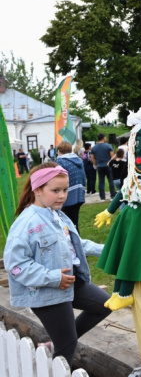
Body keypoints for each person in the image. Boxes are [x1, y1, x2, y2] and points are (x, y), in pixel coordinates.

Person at [3, 163, 111, 367]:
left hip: (70, 283)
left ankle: (56, 343)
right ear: (37, 190)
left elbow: (76, 242)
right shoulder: (27, 224)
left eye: (65, 190)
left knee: (104, 304)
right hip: (45, 292)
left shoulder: (57, 215)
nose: (62, 196)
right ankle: (58, 359)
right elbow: (15, 265)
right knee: (67, 344)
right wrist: (53, 278)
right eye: (55, 191)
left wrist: (108, 249)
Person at [55, 141, 86, 233]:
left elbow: (57, 180)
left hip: (67, 196)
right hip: (79, 194)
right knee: (74, 222)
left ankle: (72, 244)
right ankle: (77, 242)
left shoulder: (60, 161)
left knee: (66, 225)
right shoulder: (78, 160)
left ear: (59, 151)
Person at [91, 134, 116, 200]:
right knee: (111, 180)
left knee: (101, 181)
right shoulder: (108, 146)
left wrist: (96, 164)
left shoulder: (94, 147)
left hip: (99, 166)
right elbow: (112, 156)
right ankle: (112, 195)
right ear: (103, 138)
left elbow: (92, 158)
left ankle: (102, 197)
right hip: (108, 165)